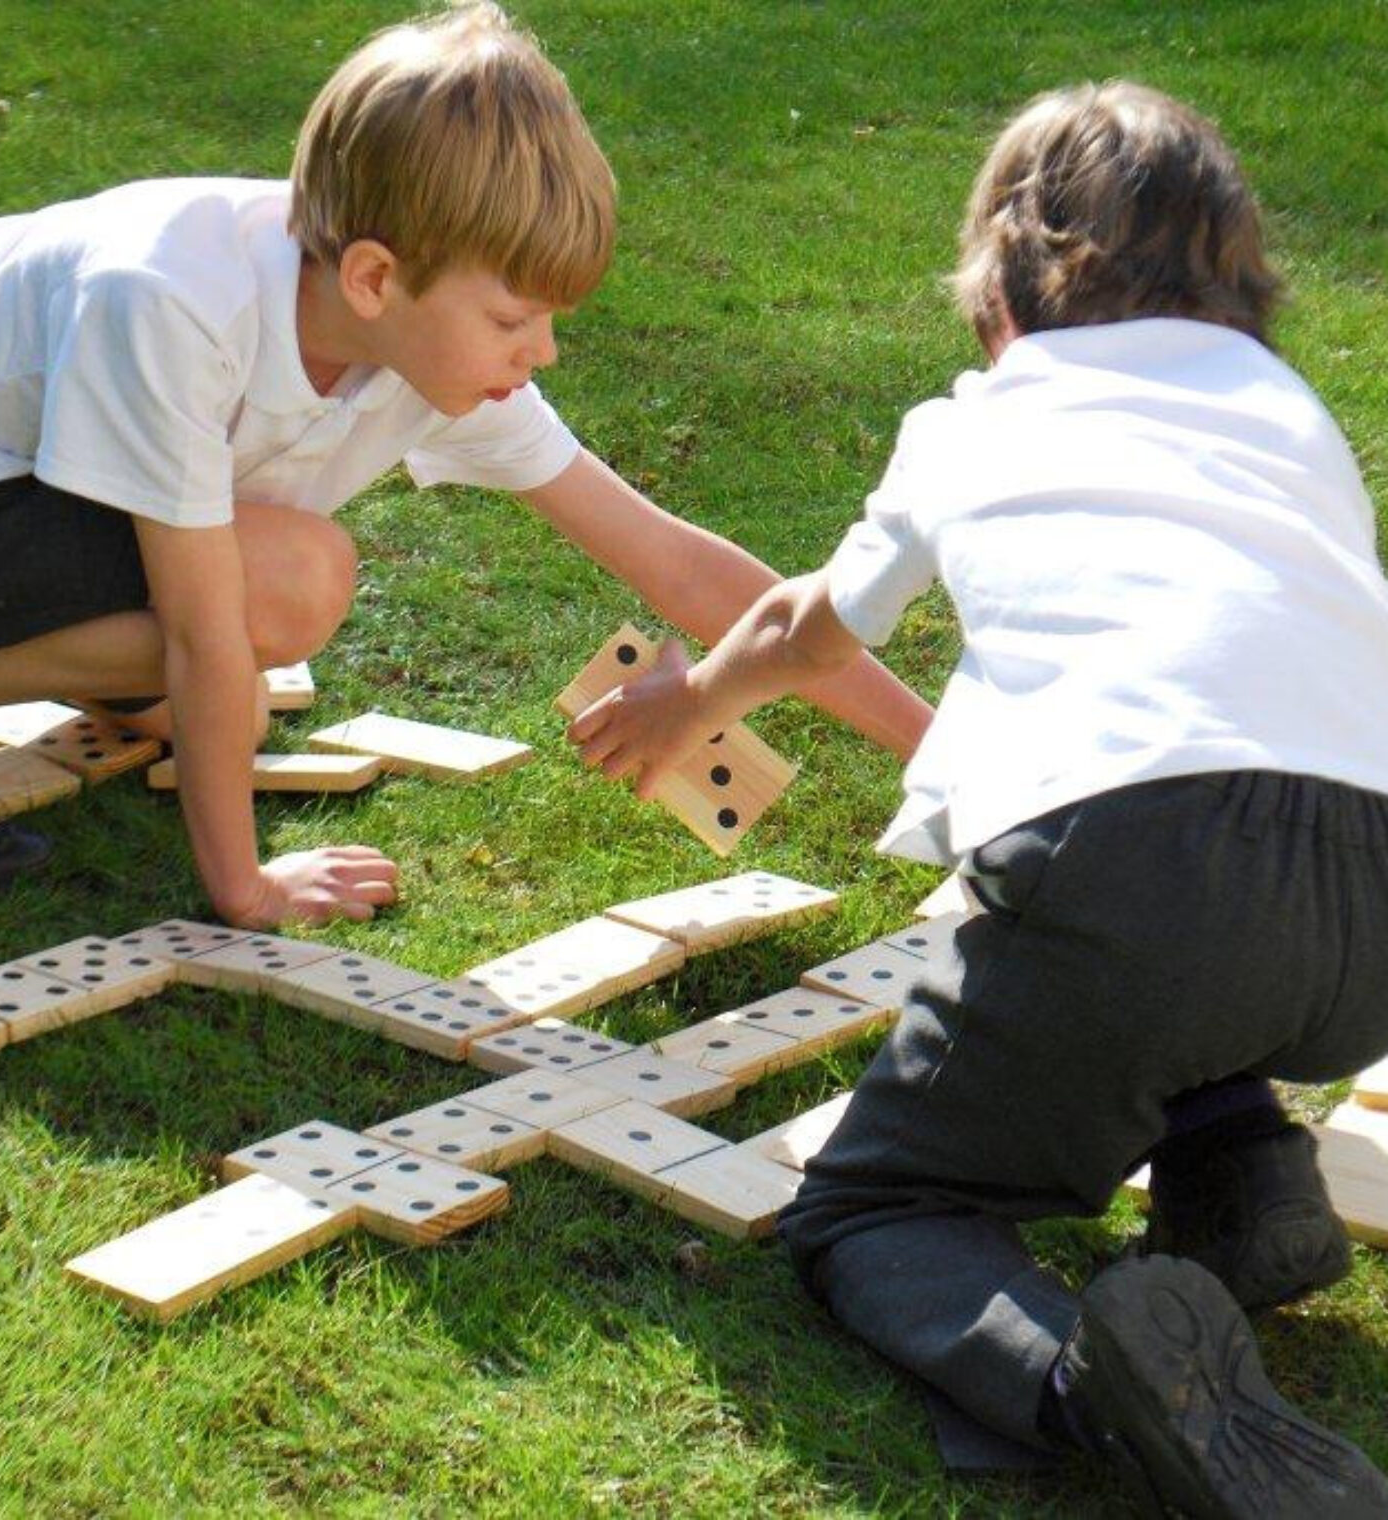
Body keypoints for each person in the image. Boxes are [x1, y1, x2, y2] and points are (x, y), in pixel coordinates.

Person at [569, 81, 1388, 1515]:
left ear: (1001, 290)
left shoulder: (982, 420)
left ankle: (1093, 1393)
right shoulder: (1290, 412)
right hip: (1370, 899)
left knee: (876, 1210)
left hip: (1140, 870)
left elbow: (808, 630)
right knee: (1210, 953)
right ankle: (1248, 1183)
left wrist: (680, 706)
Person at [0, 3, 930, 927]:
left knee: (231, 693)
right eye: (514, 317)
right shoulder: (168, 303)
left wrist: (938, 752)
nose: (543, 352)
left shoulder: (423, 346)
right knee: (285, 582)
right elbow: (201, 625)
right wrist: (246, 891)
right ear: (375, 276)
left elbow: (675, 565)